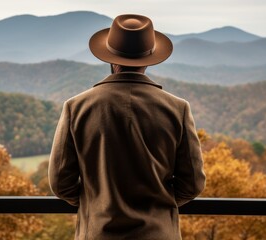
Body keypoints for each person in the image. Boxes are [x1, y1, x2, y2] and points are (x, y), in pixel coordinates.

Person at [49, 14, 205, 240]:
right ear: (149, 59)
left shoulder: (76, 107)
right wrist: (159, 207)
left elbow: (60, 183)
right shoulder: (177, 109)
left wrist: (95, 202)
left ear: (110, 58)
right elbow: (192, 184)